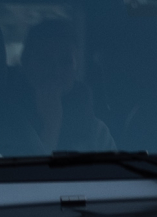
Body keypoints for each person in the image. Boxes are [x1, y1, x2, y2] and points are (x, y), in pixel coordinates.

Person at [18, 19, 113, 152]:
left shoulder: (98, 132)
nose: (56, 71)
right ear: (25, 63)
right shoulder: (6, 120)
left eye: (66, 61)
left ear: (76, 68)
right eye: (45, 59)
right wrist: (51, 126)